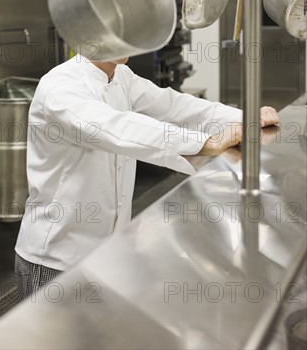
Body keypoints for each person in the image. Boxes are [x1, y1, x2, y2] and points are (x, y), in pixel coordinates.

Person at [14, 55, 279, 299]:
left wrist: (246, 119)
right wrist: (208, 142)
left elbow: (176, 106)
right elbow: (114, 127)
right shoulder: (59, 87)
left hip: (107, 256)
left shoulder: (121, 77)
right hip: (55, 261)